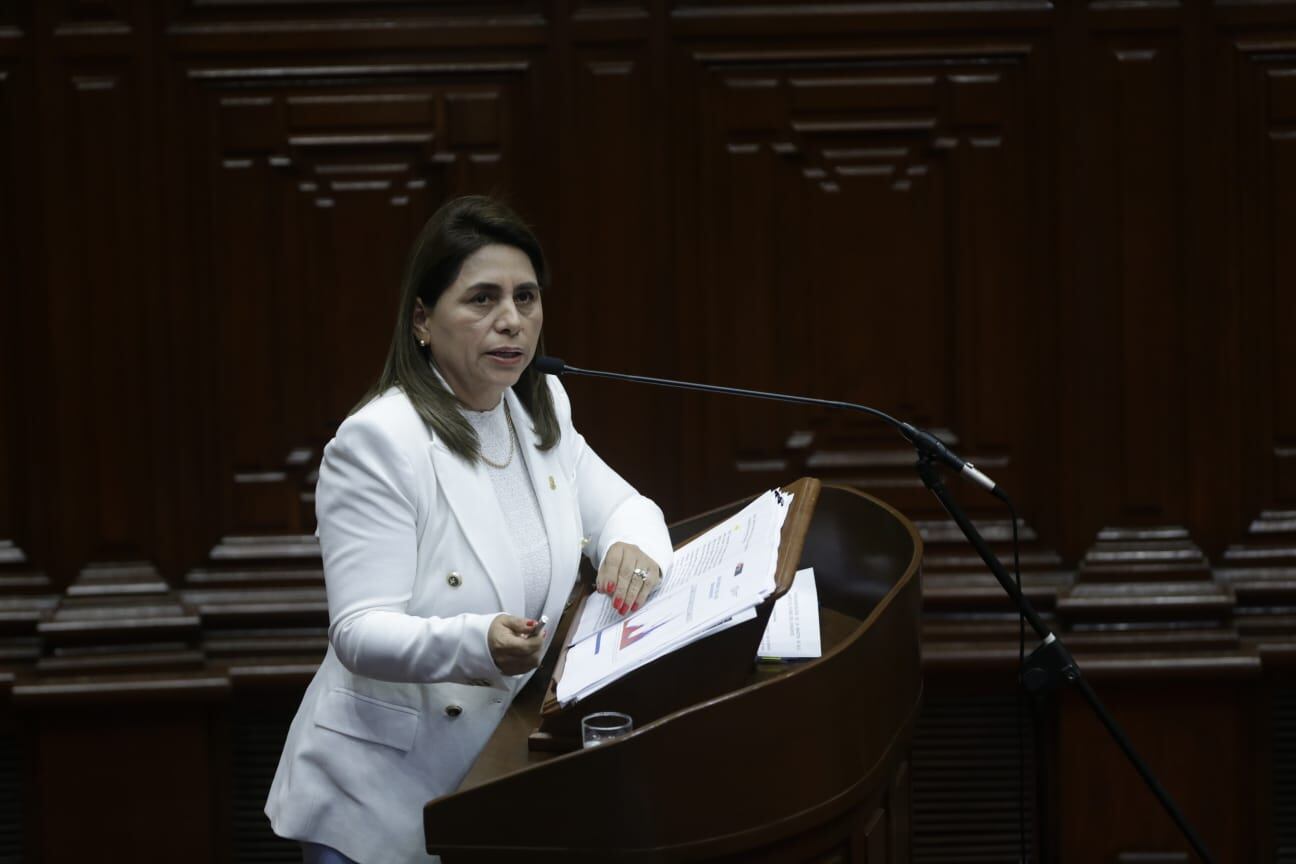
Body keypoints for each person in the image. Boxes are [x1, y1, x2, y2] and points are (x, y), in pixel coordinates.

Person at [265, 195, 673, 864]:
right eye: (482, 300)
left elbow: (626, 506)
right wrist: (476, 642)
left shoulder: (536, 409)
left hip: (500, 773)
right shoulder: (379, 441)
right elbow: (359, 630)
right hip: (385, 799)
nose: (511, 321)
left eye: (526, 297)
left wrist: (634, 548)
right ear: (422, 320)